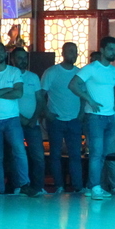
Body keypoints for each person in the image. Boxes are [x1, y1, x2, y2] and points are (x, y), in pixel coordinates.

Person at [0, 42, 41, 197]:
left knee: (20, 152)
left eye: (0, 51)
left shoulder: (14, 72)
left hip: (12, 119)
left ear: (6, 53)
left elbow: (18, 93)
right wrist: (8, 89)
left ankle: (24, 184)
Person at [69, 35, 115, 199]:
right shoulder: (91, 68)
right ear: (102, 50)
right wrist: (89, 100)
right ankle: (95, 187)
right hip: (95, 117)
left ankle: (93, 186)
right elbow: (73, 85)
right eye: (111, 49)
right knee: (96, 153)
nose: (113, 52)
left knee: (104, 154)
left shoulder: (113, 70)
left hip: (110, 117)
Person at [40, 42, 84, 193]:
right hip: (56, 120)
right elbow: (41, 95)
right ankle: (59, 186)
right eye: (70, 51)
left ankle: (77, 186)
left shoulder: (79, 74)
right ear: (63, 53)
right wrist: (47, 113)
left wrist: (81, 114)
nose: (74, 54)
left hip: (74, 120)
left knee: (75, 155)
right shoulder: (51, 72)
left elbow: (84, 95)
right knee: (55, 155)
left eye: (75, 51)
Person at [11, 47, 47, 191]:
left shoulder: (33, 77)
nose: (23, 61)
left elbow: (40, 99)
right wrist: (21, 119)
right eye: (19, 58)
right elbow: (8, 101)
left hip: (33, 123)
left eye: (25, 58)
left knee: (38, 156)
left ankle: (38, 187)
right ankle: (18, 186)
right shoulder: (9, 76)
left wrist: (34, 118)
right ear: (12, 60)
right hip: (14, 123)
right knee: (17, 156)